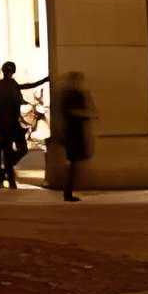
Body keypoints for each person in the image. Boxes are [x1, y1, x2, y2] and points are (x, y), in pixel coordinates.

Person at [57, 70, 95, 201]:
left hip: (73, 133)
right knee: (72, 164)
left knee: (72, 164)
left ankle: (68, 190)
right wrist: (85, 114)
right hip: (73, 134)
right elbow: (71, 112)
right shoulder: (72, 95)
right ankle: (68, 191)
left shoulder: (72, 94)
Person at [0, 61, 29, 184]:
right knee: (9, 150)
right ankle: (9, 176)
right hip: (5, 123)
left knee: (21, 149)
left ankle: (5, 171)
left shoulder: (11, 84)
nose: (9, 73)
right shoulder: (1, 85)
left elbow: (22, 93)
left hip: (12, 122)